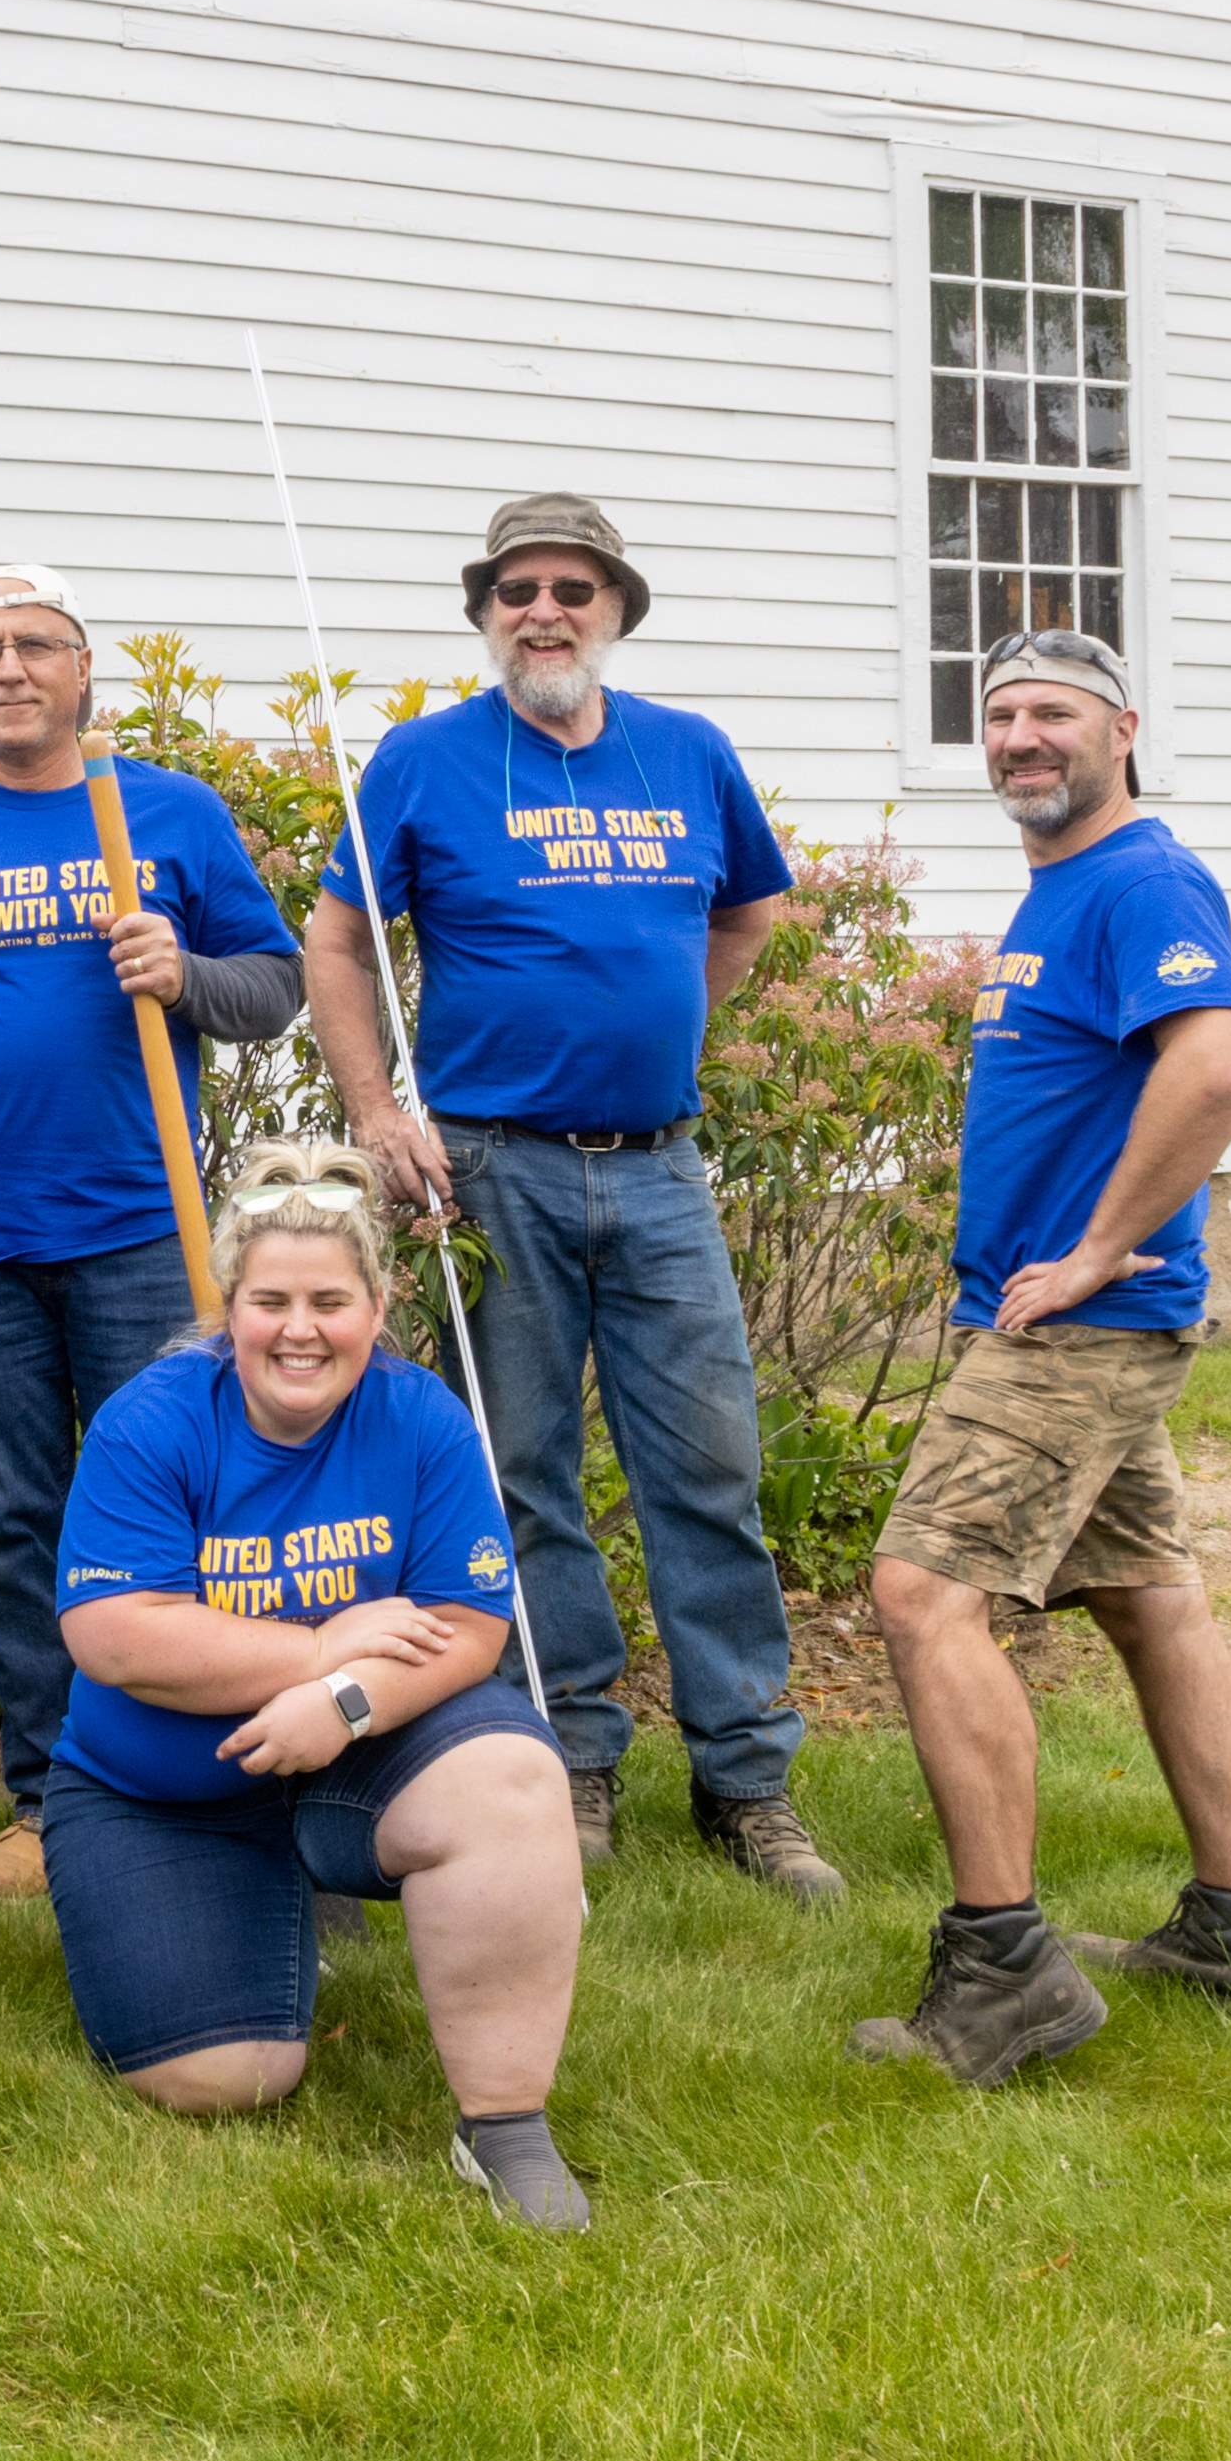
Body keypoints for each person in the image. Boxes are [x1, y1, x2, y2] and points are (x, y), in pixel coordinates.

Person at [306, 489, 841, 1906]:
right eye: (517, 589)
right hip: (491, 1169)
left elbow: (745, 913)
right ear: (485, 613)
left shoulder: (687, 752)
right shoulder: (423, 761)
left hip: (658, 1170)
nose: (543, 611)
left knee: (708, 1473)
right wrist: (377, 1110)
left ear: (614, 609)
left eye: (572, 588)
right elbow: (338, 941)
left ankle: (746, 1777)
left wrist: (664, 1032)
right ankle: (573, 1751)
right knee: (525, 1474)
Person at [852, 629, 1231, 2086]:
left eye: (1051, 711)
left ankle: (999, 1970)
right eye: (996, 714)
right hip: (1062, 1313)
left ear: (1123, 727)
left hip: (1075, 1324)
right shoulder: (1063, 888)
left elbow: (1215, 1060)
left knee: (922, 1593)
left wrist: (1102, 1243)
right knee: (1149, 1597)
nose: (1018, 735)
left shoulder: (1141, 878)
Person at [0, 565, 302, 1903]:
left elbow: (269, 988)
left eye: (37, 643)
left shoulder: (166, 814)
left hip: (145, 1235)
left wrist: (183, 972)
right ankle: (51, 1797)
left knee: (192, 1510)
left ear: (81, 671)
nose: (11, 667)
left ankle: (223, 1772)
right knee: (13, 1525)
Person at [42, 1140, 594, 2230]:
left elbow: (471, 1625)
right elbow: (112, 1634)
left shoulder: (421, 1415)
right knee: (222, 2079)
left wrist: (338, 1703)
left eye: (329, 1301)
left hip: (361, 1751)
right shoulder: (151, 1422)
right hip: (164, 1791)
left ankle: (505, 2129)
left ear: (377, 1305)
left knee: (515, 1779)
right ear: (229, 1306)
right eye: (272, 1300)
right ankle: (262, 1907)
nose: (300, 1329)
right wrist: (316, 1652)